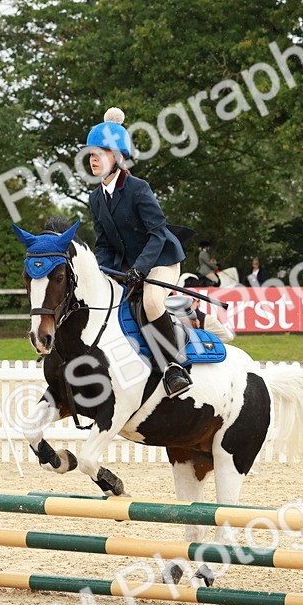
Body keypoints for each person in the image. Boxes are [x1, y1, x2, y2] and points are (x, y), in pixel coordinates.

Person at [86, 107, 192, 396]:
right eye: (91, 153)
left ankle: (174, 366)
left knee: (151, 302)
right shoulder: (95, 199)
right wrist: (102, 273)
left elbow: (157, 234)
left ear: (117, 158)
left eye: (101, 153)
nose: (93, 159)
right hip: (128, 266)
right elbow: (104, 244)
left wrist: (139, 270)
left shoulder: (137, 188)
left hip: (162, 259)